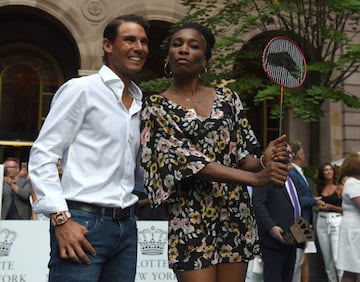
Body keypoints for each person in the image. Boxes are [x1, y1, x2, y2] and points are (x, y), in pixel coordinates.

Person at [140, 22, 289, 282]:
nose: (183, 50)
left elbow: (245, 158)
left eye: (193, 46)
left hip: (235, 213)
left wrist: (266, 159)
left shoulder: (228, 99)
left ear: (205, 59)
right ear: (168, 56)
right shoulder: (155, 107)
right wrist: (257, 179)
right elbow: (188, 161)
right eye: (177, 44)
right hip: (190, 214)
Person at [28, 14, 149, 282]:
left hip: (127, 226)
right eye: (129, 39)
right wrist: (61, 220)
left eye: (143, 41)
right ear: (108, 45)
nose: (139, 47)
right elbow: (43, 155)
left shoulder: (141, 102)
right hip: (82, 222)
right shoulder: (81, 89)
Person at [253, 144, 302, 282]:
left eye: (291, 152)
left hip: (293, 238)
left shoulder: (291, 178)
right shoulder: (267, 176)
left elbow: (296, 205)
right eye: (286, 152)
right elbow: (258, 204)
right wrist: (271, 227)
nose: (290, 155)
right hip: (273, 241)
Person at [288, 141, 323, 282]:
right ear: (299, 155)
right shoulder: (291, 172)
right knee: (296, 261)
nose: (304, 155)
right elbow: (295, 198)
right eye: (302, 152)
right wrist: (315, 201)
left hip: (305, 221)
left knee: (303, 259)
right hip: (298, 221)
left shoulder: (299, 173)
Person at [315, 162, 343, 282]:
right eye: (326, 170)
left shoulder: (339, 188)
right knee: (328, 262)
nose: (328, 172)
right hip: (321, 222)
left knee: (337, 260)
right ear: (322, 173)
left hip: (336, 221)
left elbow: (346, 209)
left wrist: (331, 207)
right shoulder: (319, 189)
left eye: (330, 169)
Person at [337, 153, 360, 282]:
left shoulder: (356, 182)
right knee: (350, 268)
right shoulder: (352, 183)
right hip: (353, 230)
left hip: (356, 229)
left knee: (354, 268)